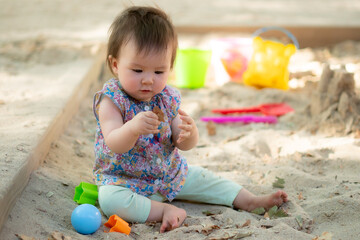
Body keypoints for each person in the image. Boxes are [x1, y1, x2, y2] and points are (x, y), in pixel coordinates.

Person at [93, 6, 288, 233]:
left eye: (158, 72)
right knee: (109, 201)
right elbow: (114, 142)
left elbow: (182, 143)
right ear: (115, 65)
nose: (148, 80)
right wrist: (132, 128)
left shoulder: (166, 98)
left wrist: (189, 133)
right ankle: (163, 210)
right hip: (123, 181)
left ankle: (249, 200)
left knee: (206, 178)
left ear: (170, 68)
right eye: (137, 70)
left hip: (169, 175)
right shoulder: (112, 100)